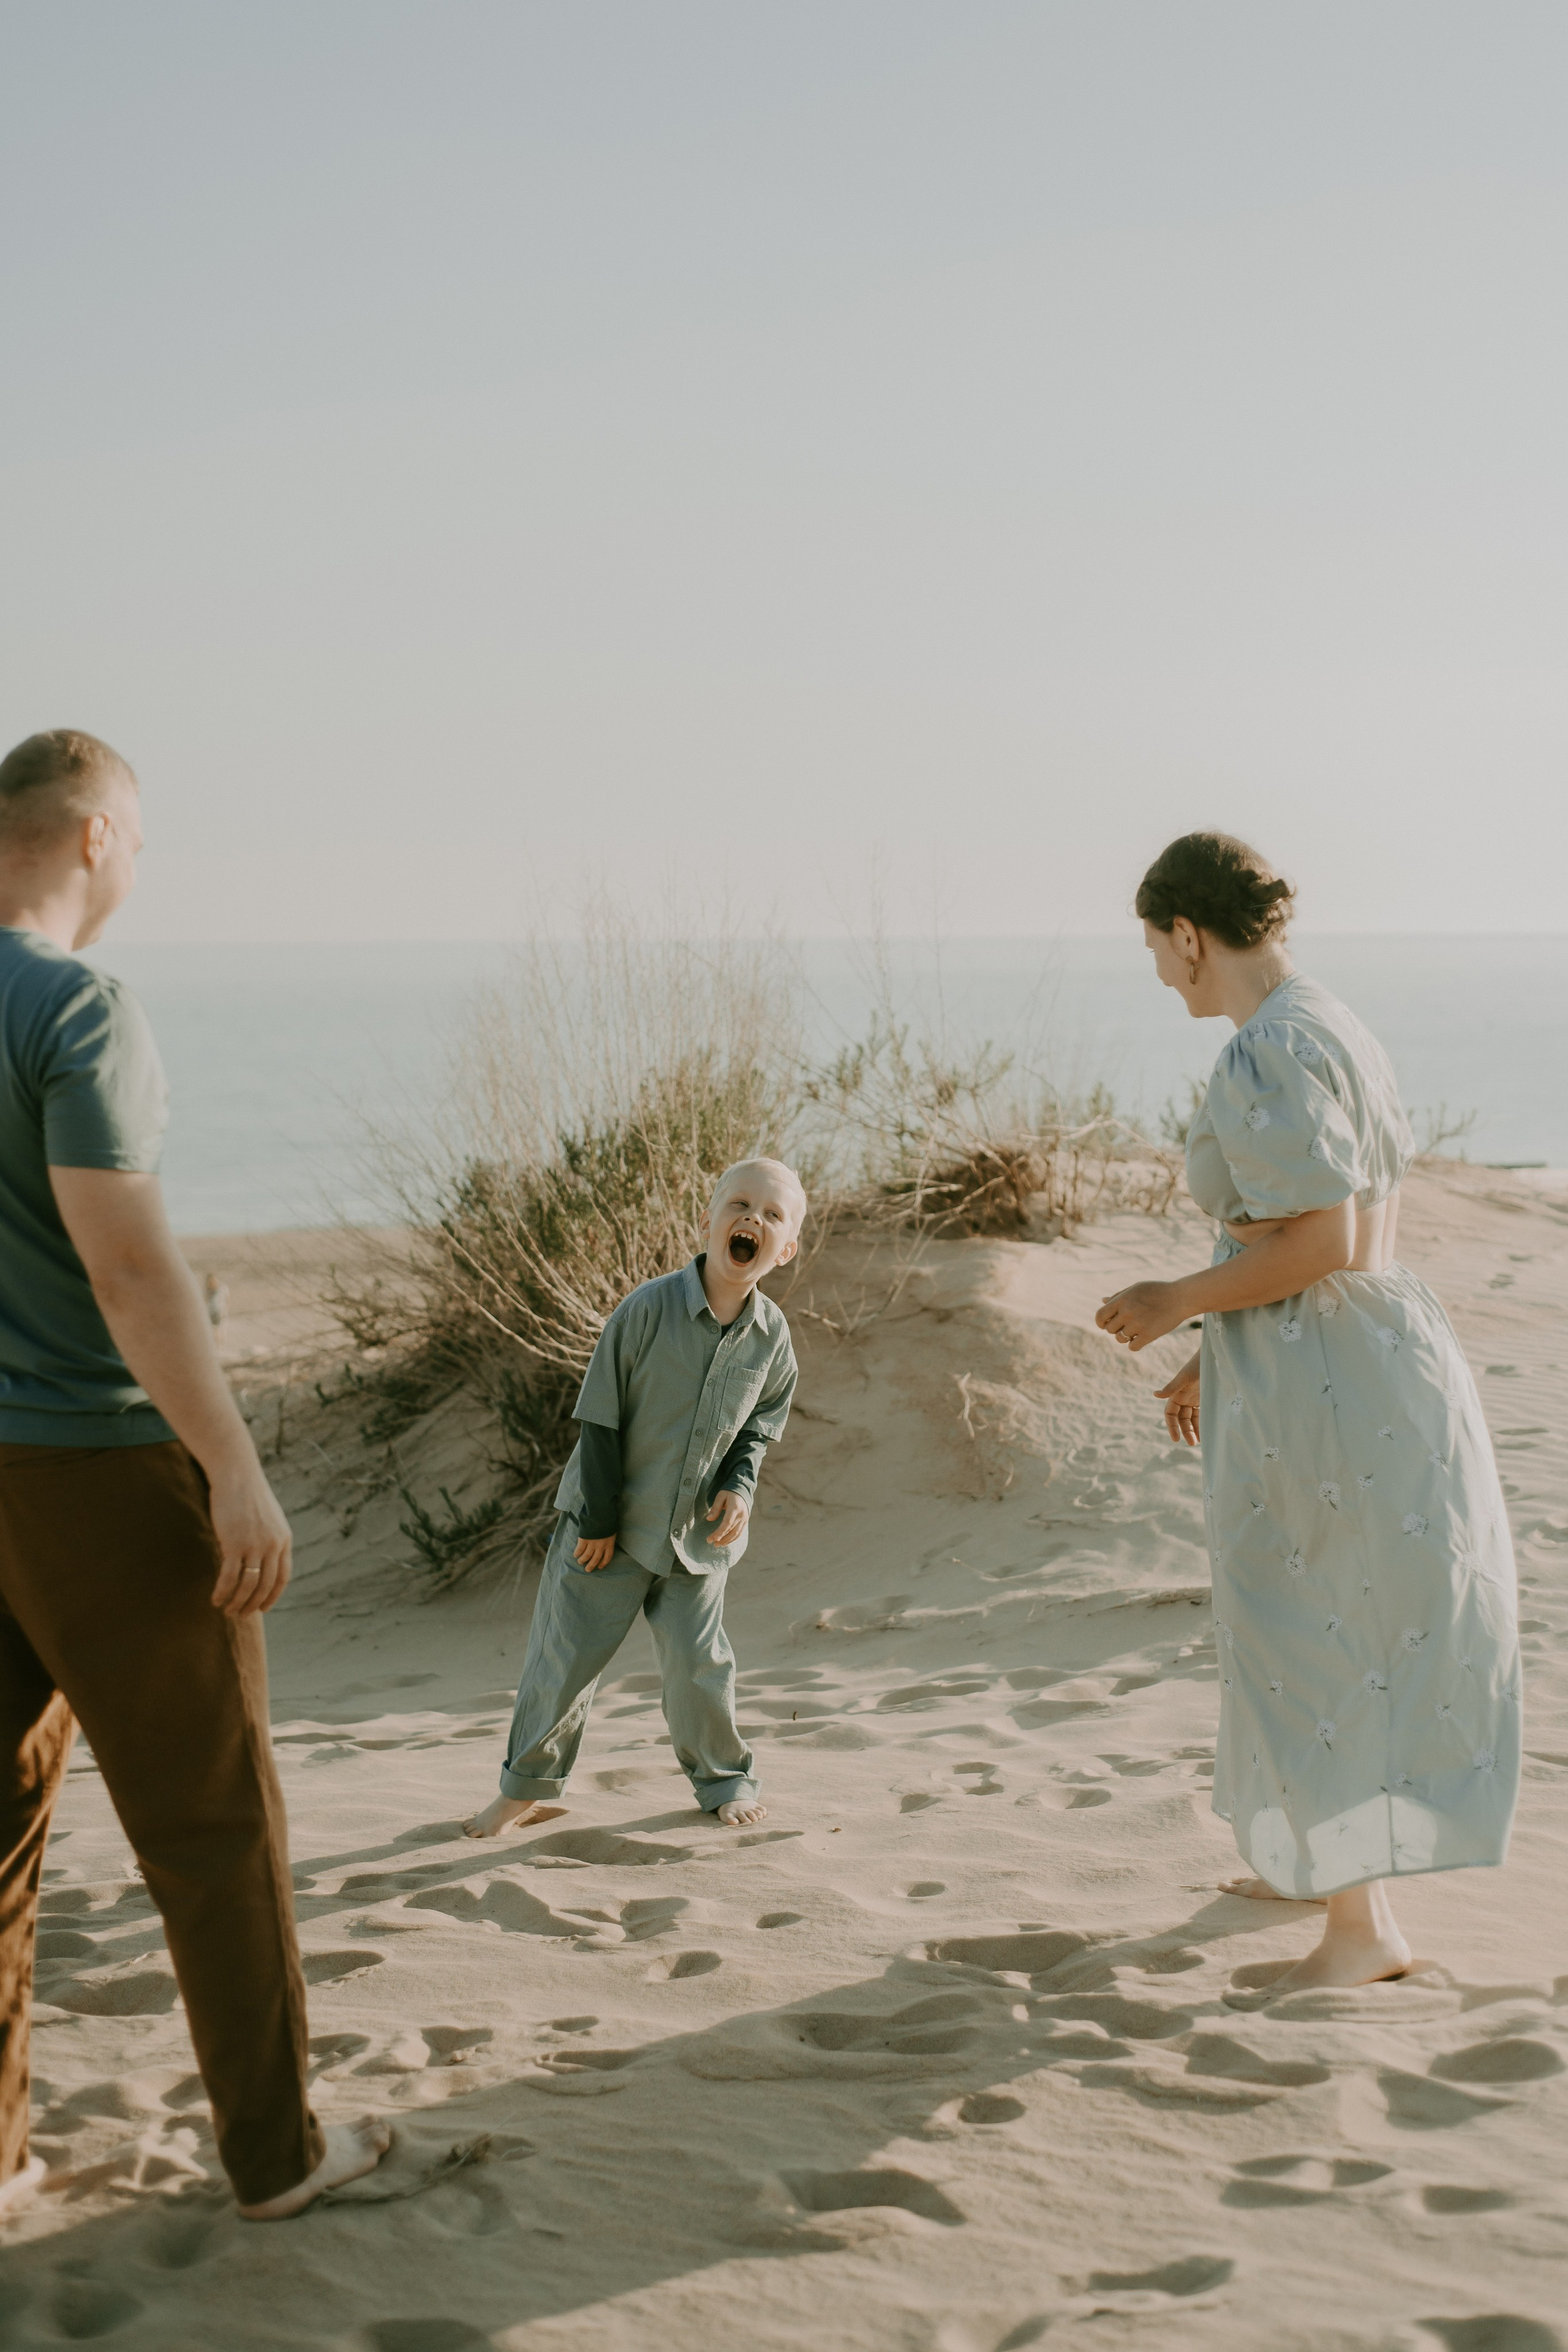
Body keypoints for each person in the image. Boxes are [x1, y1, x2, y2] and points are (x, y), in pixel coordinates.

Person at [0, 729, 390, 2221]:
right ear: (95, 835)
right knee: (217, 1824)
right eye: (142, 847)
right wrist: (232, 1463)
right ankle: (279, 2154)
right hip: (98, 1463)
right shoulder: (76, 1005)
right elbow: (124, 1258)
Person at [1095, 832, 1520, 1995]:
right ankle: (1306, 1861)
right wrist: (1211, 1355)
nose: (1158, 972)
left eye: (1155, 947)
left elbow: (1318, 1239)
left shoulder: (1263, 1055)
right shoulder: (1331, 1020)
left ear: (1190, 934)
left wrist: (1175, 1302)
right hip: (1359, 1347)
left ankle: (1359, 1926)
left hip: (1322, 1374)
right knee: (1308, 1613)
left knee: (1315, 1624)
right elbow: (1333, 1235)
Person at [466, 1159, 803, 1841]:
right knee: (565, 1662)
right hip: (610, 1529)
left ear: (787, 1248)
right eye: (738, 1205)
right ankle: (523, 1787)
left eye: (772, 1216)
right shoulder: (646, 1310)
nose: (752, 1221)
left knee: (700, 1666)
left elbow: (760, 1427)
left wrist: (739, 1488)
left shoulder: (772, 1338)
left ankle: (723, 1781)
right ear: (706, 1222)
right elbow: (600, 1416)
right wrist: (597, 1518)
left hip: (698, 1542)